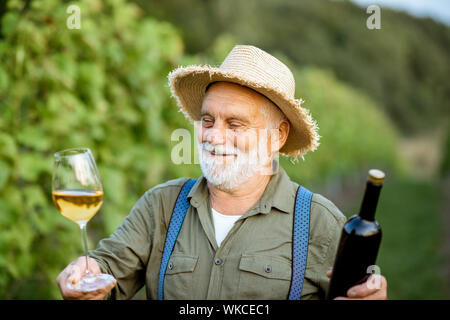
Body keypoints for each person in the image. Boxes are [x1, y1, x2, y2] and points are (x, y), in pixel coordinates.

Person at [57, 45, 387, 300]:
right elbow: (106, 270)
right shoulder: (161, 205)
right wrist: (86, 273)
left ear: (278, 136)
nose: (213, 136)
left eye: (235, 123)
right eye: (208, 120)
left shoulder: (319, 222)